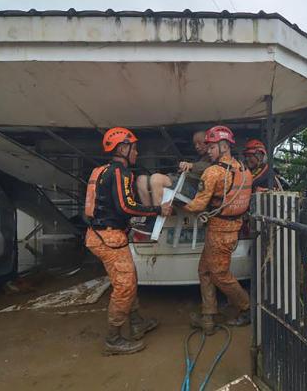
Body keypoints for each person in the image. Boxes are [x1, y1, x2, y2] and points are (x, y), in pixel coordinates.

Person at [161, 125, 252, 335]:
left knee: (219, 274)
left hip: (220, 231)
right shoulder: (243, 170)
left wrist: (174, 202)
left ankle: (246, 307)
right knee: (204, 270)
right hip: (232, 229)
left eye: (211, 147)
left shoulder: (213, 172)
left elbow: (198, 205)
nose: (208, 151)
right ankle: (209, 315)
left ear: (223, 146)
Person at [84, 127, 160, 355]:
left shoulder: (100, 170)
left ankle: (136, 322)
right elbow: (126, 206)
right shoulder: (120, 173)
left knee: (130, 277)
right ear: (122, 148)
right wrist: (157, 210)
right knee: (125, 285)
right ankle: (113, 339)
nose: (136, 152)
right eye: (134, 148)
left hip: (99, 234)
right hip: (109, 238)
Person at [134, 131, 212, 233]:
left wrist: (192, 166)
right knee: (141, 180)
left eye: (200, 143)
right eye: (195, 144)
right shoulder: (200, 157)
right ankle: (150, 217)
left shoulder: (213, 157)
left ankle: (155, 224)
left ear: (210, 142)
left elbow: (211, 167)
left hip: (194, 191)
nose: (197, 146)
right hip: (181, 183)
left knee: (156, 179)